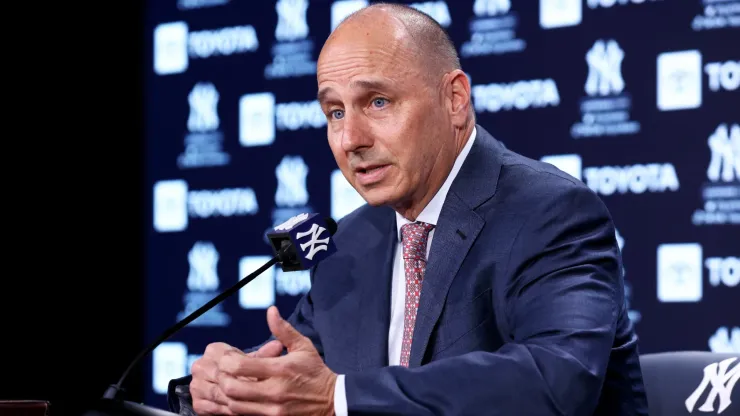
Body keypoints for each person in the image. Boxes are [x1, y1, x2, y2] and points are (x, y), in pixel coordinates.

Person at [167, 3, 649, 415]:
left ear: (454, 99)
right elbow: (297, 375)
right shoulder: (351, 241)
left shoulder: (550, 211)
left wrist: (340, 398)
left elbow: (556, 381)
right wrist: (229, 385)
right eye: (335, 112)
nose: (350, 139)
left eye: (377, 102)